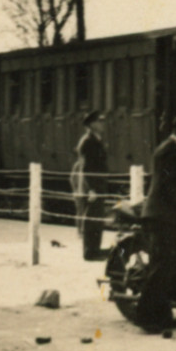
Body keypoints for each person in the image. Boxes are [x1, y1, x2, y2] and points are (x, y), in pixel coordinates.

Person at [137, 113, 176, 335]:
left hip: (166, 214)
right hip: (159, 215)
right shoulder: (168, 149)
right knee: (160, 266)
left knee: (168, 266)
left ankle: (163, 317)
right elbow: (166, 184)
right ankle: (145, 317)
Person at [70, 110, 113, 261]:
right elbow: (86, 168)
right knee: (90, 219)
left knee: (97, 218)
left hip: (98, 185)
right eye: (100, 121)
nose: (103, 123)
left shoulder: (97, 140)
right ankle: (89, 252)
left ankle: (95, 249)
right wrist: (92, 189)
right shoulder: (87, 141)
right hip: (91, 187)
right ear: (92, 124)